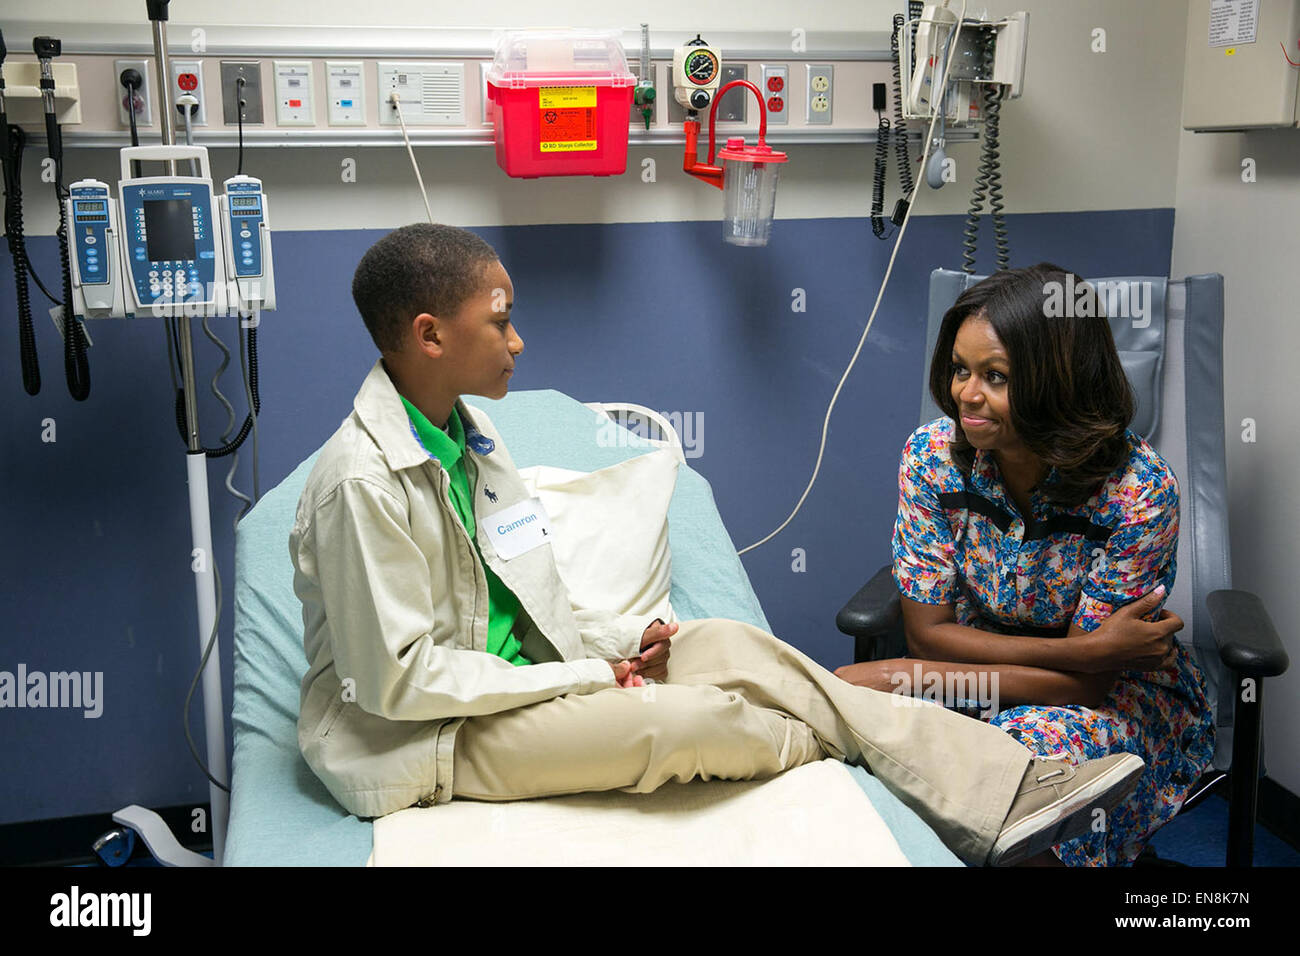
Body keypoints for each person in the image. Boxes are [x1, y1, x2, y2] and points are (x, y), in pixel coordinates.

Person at [291, 226, 1145, 867]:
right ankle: (891, 757)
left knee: (732, 645)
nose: (518, 343)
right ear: (432, 335)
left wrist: (618, 647)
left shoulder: (471, 436)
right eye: (501, 323)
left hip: (528, 682)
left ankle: (1000, 786)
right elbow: (400, 682)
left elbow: (524, 594)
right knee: (690, 721)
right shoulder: (362, 484)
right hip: (422, 737)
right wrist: (591, 679)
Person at [836, 263, 1215, 866]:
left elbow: (1088, 687)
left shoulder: (1138, 491)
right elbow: (926, 632)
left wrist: (902, 675)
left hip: (1108, 699)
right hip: (975, 668)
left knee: (1010, 774)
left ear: (1059, 384)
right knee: (851, 731)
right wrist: (1082, 650)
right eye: (961, 369)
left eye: (996, 377)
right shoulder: (933, 457)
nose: (966, 394)